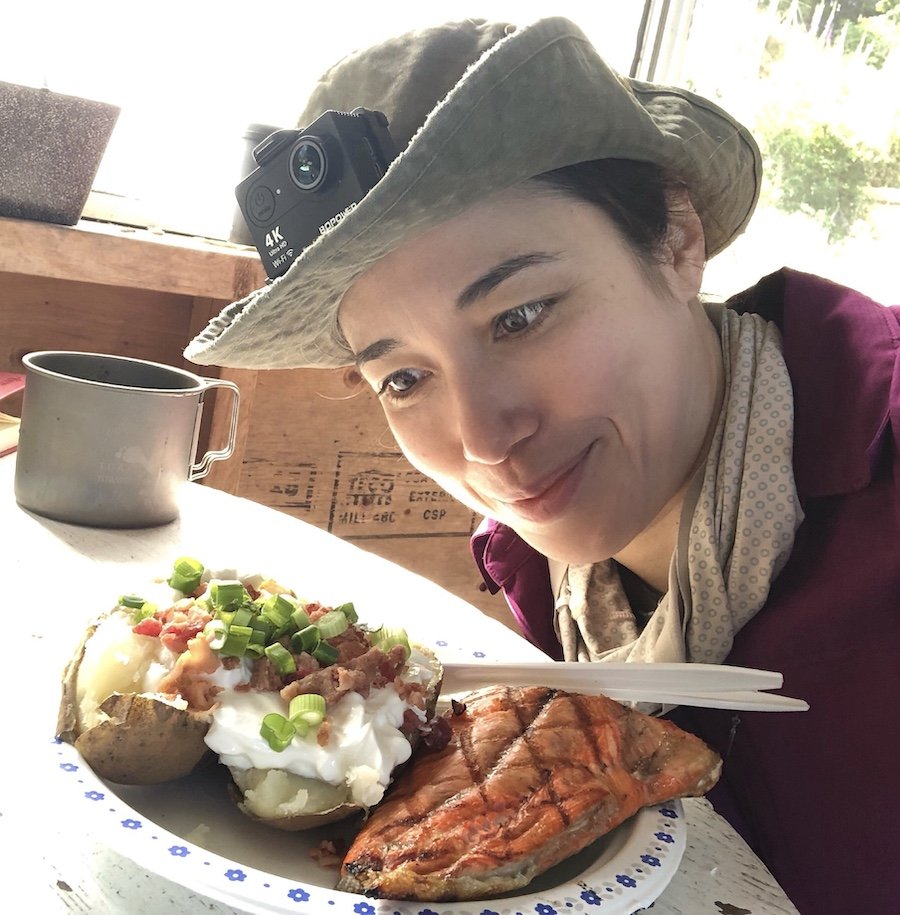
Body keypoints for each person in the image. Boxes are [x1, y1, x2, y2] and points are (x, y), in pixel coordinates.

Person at [185, 17, 900, 914]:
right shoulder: (542, 568)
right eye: (403, 377)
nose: (483, 439)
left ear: (678, 239)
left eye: (521, 316)